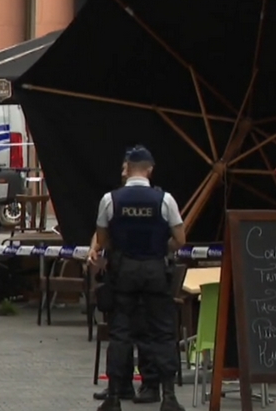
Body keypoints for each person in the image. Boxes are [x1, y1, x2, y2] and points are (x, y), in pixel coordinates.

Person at [91, 145, 185, 411]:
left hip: (124, 272)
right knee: (163, 333)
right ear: (150, 169)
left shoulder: (110, 199)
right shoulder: (165, 200)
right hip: (155, 270)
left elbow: (102, 239)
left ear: (127, 168)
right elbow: (180, 239)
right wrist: (159, 249)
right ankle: (168, 396)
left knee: (120, 333)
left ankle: (114, 397)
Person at [89, 230, 159, 403]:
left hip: (141, 273)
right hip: (124, 273)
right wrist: (95, 249)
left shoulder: (161, 202)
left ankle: (149, 385)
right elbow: (101, 230)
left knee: (143, 331)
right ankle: (121, 385)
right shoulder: (110, 202)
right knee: (120, 333)